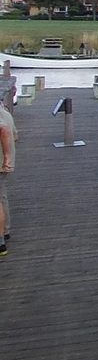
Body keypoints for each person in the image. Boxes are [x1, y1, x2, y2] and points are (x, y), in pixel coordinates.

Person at [0, 102, 16, 257]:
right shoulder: (6, 113)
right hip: (4, 165)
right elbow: (15, 135)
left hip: (2, 164)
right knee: (2, 197)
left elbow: (4, 130)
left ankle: (2, 238)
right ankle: (5, 230)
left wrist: (6, 159)